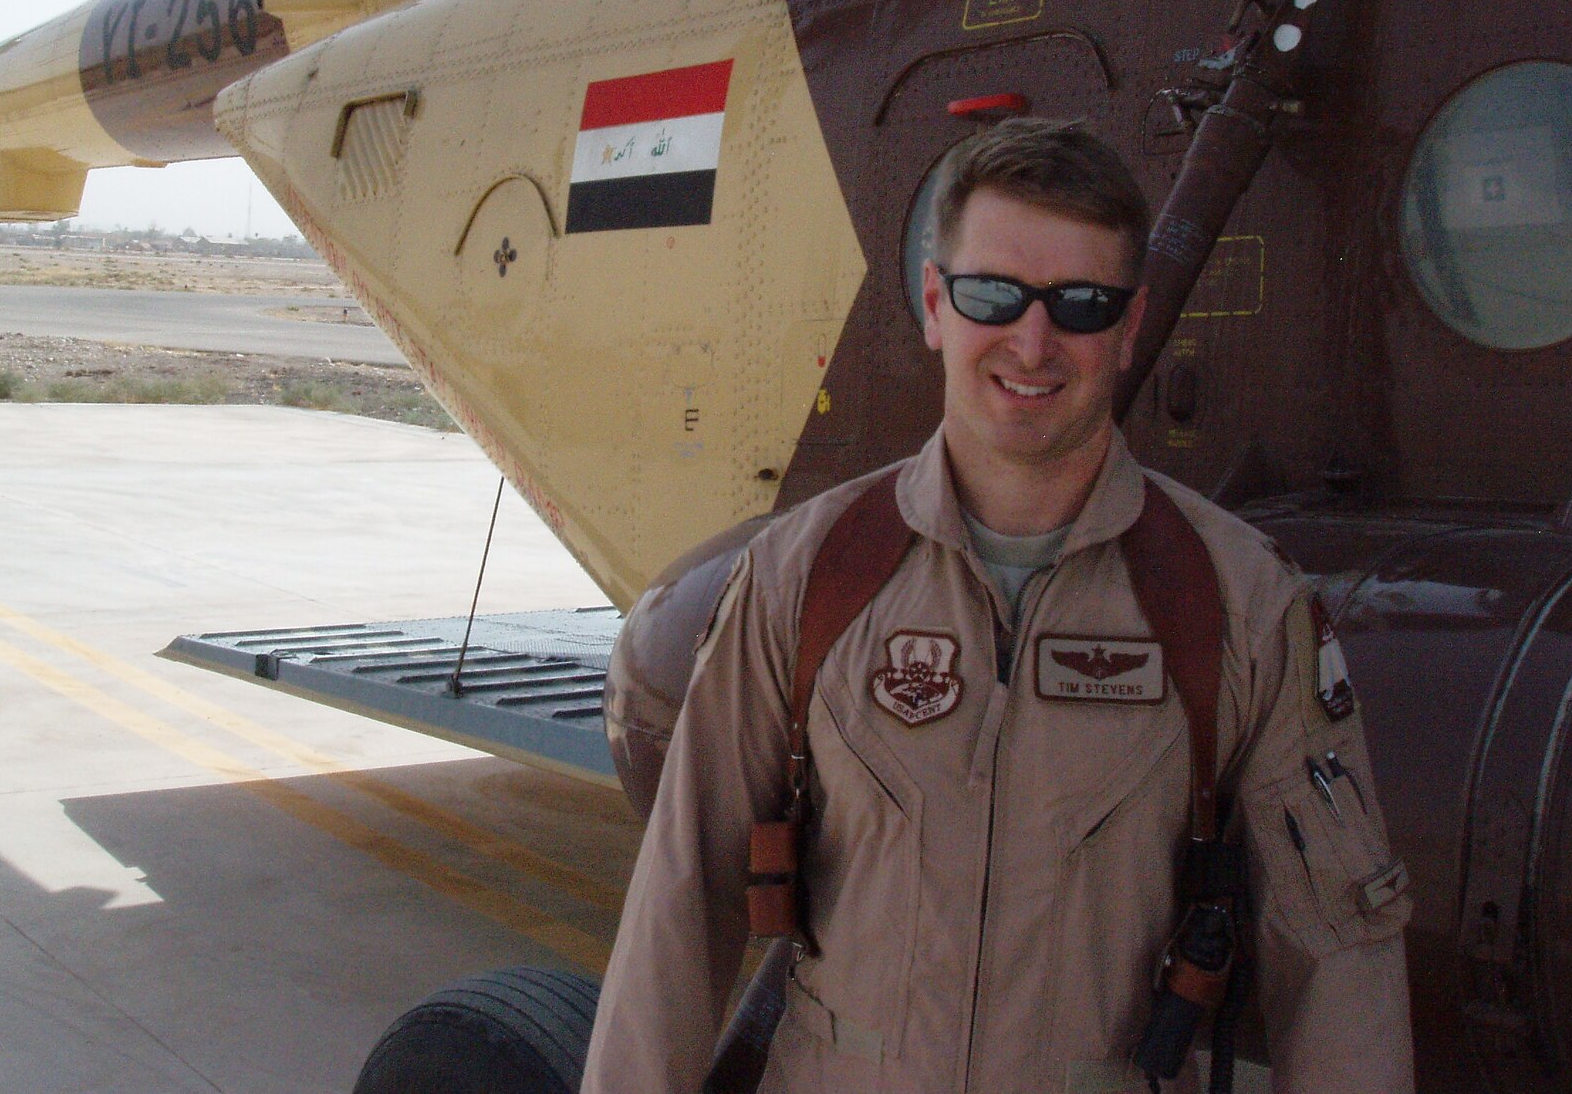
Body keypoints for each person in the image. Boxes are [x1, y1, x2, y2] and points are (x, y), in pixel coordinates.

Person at [583, 119, 1413, 1092]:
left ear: (1130, 326)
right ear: (937, 303)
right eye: (993, 296)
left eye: (1081, 304)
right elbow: (679, 909)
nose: (1032, 341)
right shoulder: (803, 577)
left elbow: (1339, 958)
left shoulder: (1237, 603)